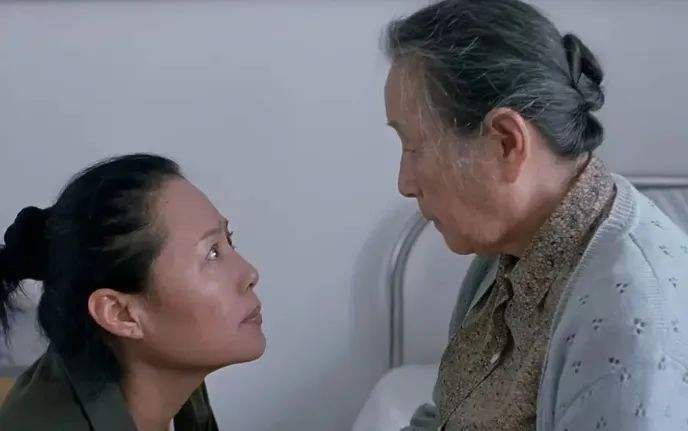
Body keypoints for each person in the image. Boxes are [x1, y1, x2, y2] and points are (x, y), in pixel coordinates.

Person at [383, 0, 688, 430]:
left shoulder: (625, 329)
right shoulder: (503, 256)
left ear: (506, 143)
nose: (405, 183)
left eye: (414, 146)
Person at [0, 154, 265, 431]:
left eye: (228, 240)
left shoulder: (172, 369)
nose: (250, 274)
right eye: (212, 253)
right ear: (121, 313)